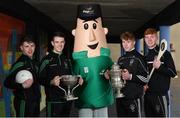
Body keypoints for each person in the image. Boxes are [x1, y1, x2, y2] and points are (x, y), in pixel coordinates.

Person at [72, 4, 114, 117]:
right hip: (84, 102)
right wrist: (77, 80)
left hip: (102, 100)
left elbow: (114, 73)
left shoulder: (107, 59)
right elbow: (72, 78)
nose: (92, 37)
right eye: (85, 27)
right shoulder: (77, 62)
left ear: (104, 31)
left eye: (95, 26)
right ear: (75, 33)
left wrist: (110, 74)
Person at [39, 31, 82, 117]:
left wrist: (78, 79)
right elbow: (40, 78)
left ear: (64, 43)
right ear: (52, 43)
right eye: (57, 42)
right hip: (53, 101)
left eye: (62, 42)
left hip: (67, 100)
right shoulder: (46, 60)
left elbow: (71, 76)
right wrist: (51, 82)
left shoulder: (67, 60)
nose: (60, 44)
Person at [4, 35, 41, 117]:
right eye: (26, 46)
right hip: (24, 103)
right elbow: (7, 83)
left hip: (35, 102)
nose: (30, 49)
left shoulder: (35, 63)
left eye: (32, 46)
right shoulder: (19, 64)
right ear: (21, 48)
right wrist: (22, 85)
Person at [143, 28, 177, 117]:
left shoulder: (165, 54)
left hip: (160, 96)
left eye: (152, 37)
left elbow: (173, 73)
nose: (149, 39)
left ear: (156, 38)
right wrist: (143, 84)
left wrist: (160, 67)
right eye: (147, 37)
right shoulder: (144, 58)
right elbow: (144, 75)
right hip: (147, 96)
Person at [116, 32, 148, 117]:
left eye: (128, 42)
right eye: (123, 42)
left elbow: (146, 78)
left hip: (133, 98)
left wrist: (130, 76)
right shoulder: (121, 59)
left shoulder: (139, 58)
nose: (125, 44)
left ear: (134, 42)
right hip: (120, 97)